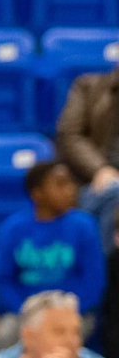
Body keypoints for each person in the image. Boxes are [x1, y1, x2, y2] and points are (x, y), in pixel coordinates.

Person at [0, 161, 105, 349]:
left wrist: (67, 312)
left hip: (75, 312)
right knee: (5, 335)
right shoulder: (14, 228)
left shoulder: (84, 226)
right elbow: (3, 281)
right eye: (60, 184)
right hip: (25, 312)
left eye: (71, 183)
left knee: (61, 338)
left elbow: (94, 282)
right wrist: (26, 311)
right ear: (38, 194)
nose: (70, 190)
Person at [56, 65, 119, 252]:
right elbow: (70, 135)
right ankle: (101, 274)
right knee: (114, 193)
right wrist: (100, 169)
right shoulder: (89, 87)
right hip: (91, 184)